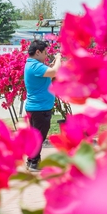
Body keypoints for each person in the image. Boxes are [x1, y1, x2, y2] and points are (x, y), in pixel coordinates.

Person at [24, 40, 62, 172]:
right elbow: (55, 72)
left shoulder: (33, 65)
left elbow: (48, 75)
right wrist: (58, 58)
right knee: (39, 136)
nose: (46, 56)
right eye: (45, 53)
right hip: (40, 108)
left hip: (37, 108)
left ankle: (32, 161)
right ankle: (34, 163)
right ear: (38, 52)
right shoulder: (35, 66)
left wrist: (51, 67)